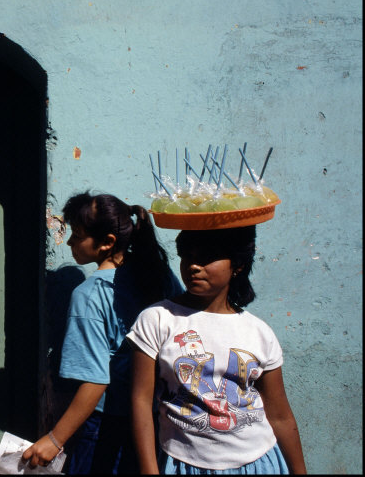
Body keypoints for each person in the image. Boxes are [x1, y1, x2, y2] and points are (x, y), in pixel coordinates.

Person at [22, 192, 182, 473]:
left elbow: (95, 381)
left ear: (107, 243)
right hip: (157, 421)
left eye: (77, 234)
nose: (70, 241)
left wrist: (54, 439)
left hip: (107, 426)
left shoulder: (89, 295)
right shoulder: (160, 276)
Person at [127, 226, 307, 474]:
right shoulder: (158, 320)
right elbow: (140, 401)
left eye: (206, 257)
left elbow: (280, 416)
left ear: (237, 265)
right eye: (187, 256)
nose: (193, 266)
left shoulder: (259, 332)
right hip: (184, 463)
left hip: (259, 463)